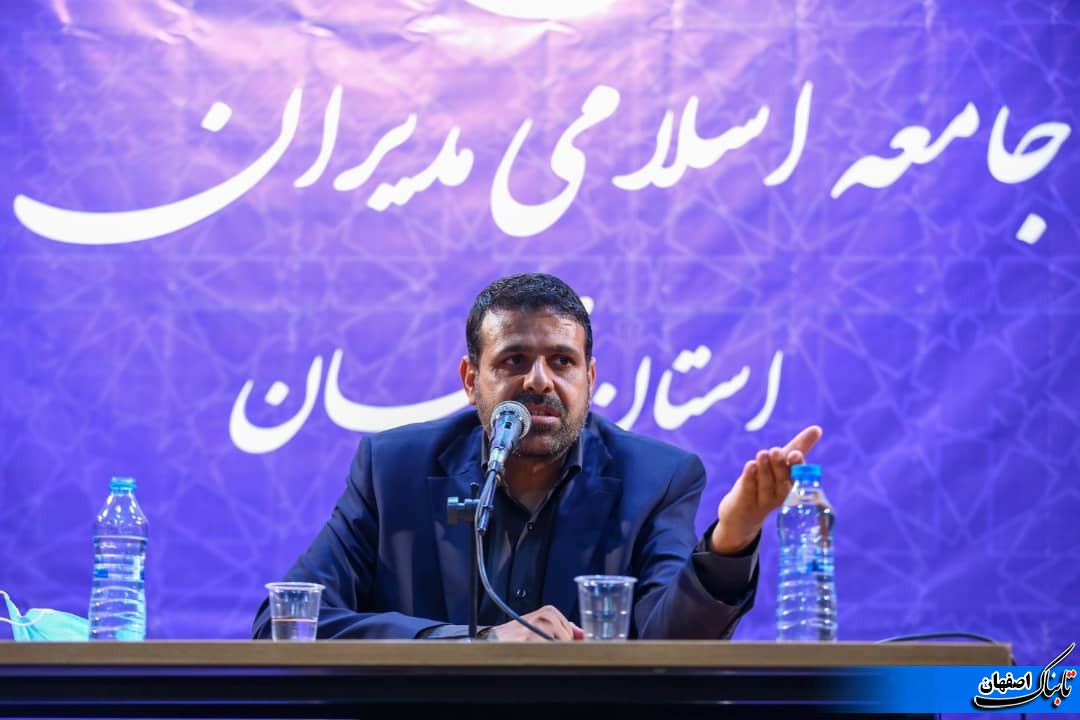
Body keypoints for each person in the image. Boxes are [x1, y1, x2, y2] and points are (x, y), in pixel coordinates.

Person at [252, 272, 821, 641]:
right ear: (471, 380)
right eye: (514, 361)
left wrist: (731, 540)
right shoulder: (392, 469)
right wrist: (476, 643)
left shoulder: (657, 478)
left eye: (562, 362)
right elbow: (286, 623)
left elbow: (666, 643)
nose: (539, 382)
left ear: (590, 378)